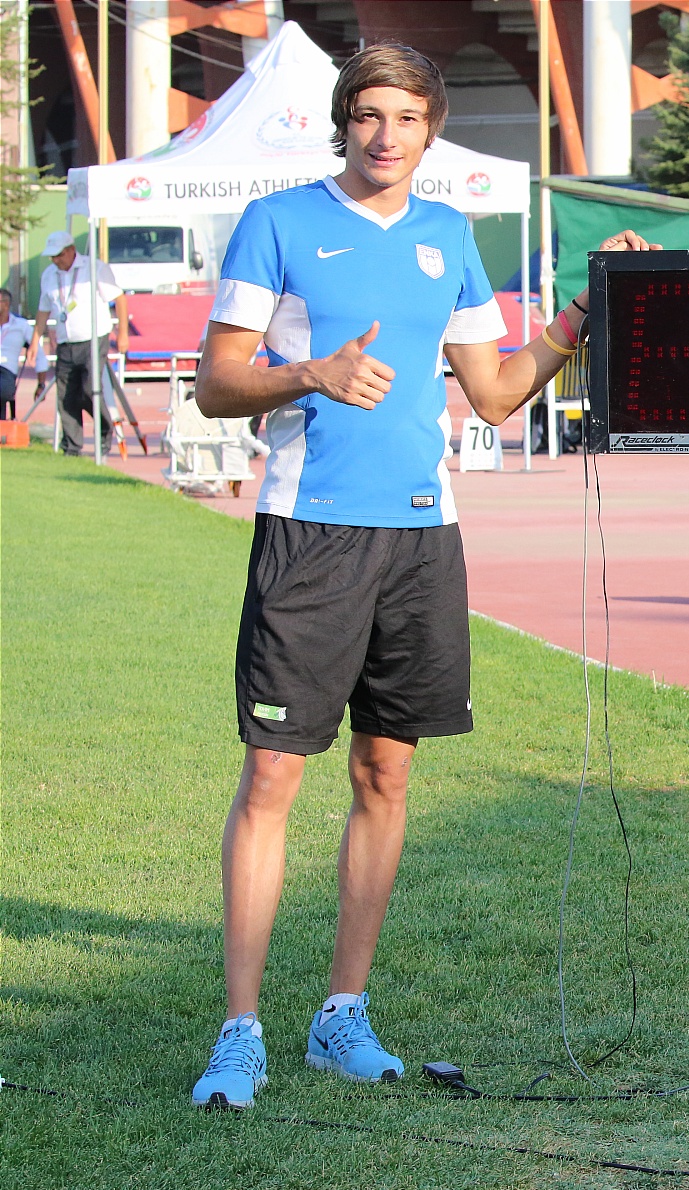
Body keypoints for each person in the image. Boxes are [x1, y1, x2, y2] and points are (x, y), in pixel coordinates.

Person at [187, 42, 659, 1110]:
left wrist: (583, 314)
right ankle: (240, 1029)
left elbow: (494, 394)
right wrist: (307, 372)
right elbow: (218, 384)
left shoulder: (451, 237)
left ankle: (341, 1016)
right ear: (344, 122)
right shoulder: (279, 221)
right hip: (311, 535)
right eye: (369, 115)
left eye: (406, 117)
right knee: (272, 778)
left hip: (420, 541)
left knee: (386, 778)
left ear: (431, 128)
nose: (386, 134)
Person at [31, 229, 129, 455]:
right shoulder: (49, 275)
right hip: (65, 342)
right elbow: (43, 311)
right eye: (52, 257)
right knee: (66, 395)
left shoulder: (94, 268)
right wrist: (36, 341)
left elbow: (119, 298)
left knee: (89, 389)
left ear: (71, 250)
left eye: (59, 255)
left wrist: (122, 333)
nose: (55, 260)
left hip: (94, 338)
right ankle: (71, 447)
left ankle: (104, 434)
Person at [0, 287, 32, 421]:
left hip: (6, 369)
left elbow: (30, 344)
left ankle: (8, 420)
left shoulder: (18, 324)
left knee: (4, 388)